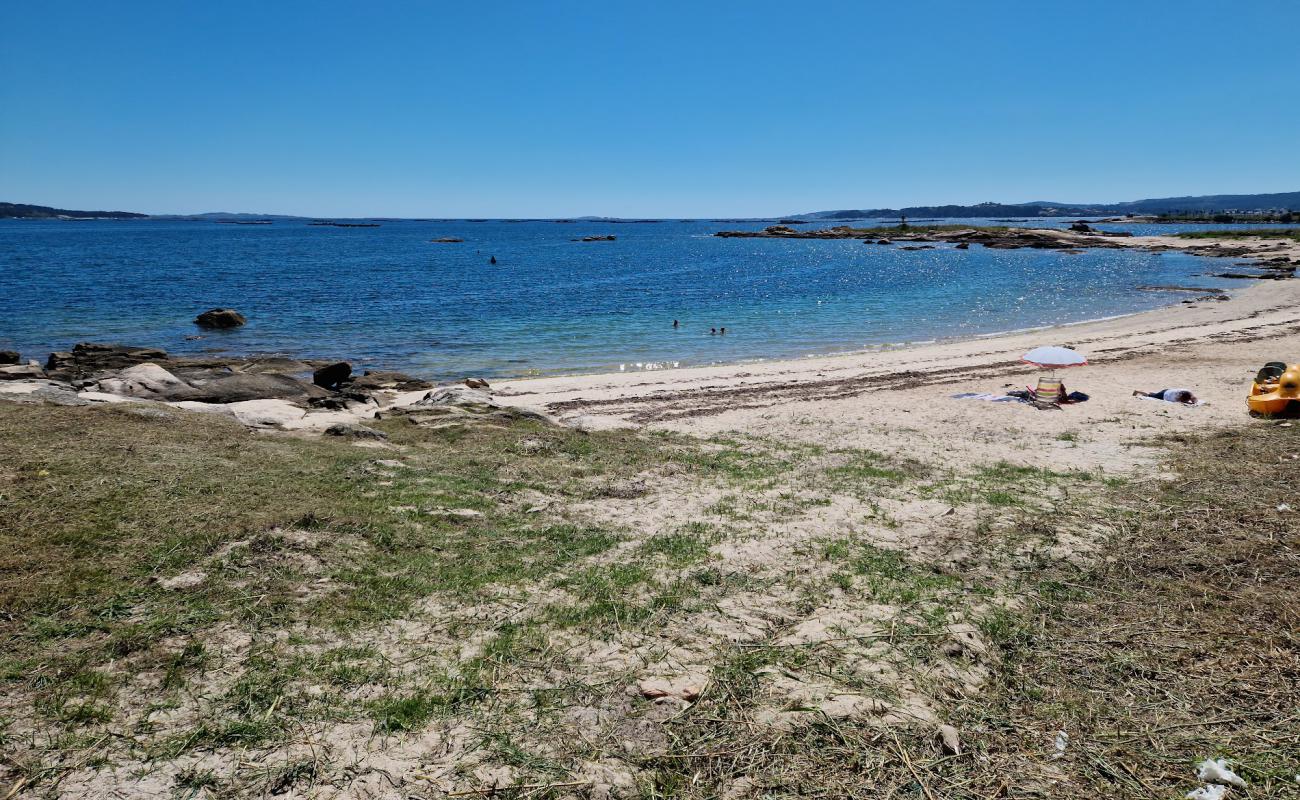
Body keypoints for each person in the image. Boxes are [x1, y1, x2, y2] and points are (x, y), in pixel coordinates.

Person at [1133, 388, 1198, 405]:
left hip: (1167, 390)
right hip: (1163, 395)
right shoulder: (1175, 398)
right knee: (1149, 396)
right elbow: (1180, 402)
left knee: (1154, 394)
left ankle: (1149, 392)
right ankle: (1138, 391)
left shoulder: (1187, 391)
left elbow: (1193, 397)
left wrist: (1193, 400)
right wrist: (1189, 402)